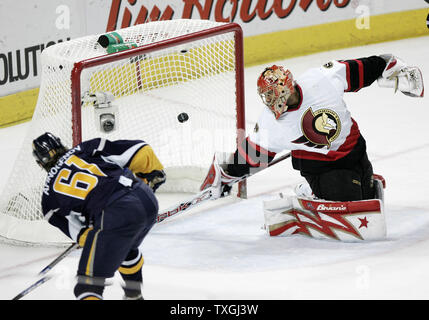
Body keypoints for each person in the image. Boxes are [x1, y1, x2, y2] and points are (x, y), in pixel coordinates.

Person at [201, 54, 424, 203]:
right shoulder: (271, 122)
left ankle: (349, 183)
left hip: (354, 150)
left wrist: (390, 67)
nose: (268, 100)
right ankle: (310, 190)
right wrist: (228, 173)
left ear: (286, 87)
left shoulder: (321, 79)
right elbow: (252, 154)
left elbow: (363, 69)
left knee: (367, 197)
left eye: (271, 94)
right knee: (349, 199)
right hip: (319, 167)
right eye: (265, 96)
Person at [32, 133, 166, 300]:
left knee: (87, 288)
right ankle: (134, 296)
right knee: (126, 249)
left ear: (39, 163)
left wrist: (97, 230)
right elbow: (141, 150)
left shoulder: (48, 202)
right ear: (61, 144)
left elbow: (84, 236)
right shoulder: (87, 147)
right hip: (146, 198)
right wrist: (154, 172)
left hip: (116, 213)